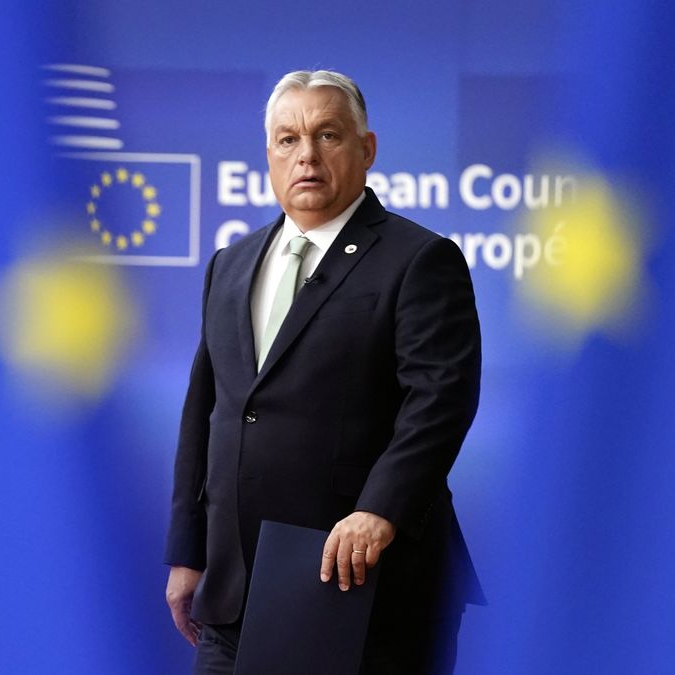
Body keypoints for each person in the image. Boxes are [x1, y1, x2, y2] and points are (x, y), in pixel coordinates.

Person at [164, 69, 483, 674]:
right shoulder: (229, 265)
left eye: (328, 135)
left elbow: (439, 399)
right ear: (268, 156)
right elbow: (207, 411)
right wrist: (188, 551)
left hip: (361, 588)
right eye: (288, 140)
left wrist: (379, 511)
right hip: (235, 595)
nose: (306, 155)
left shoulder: (419, 259)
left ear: (366, 149)